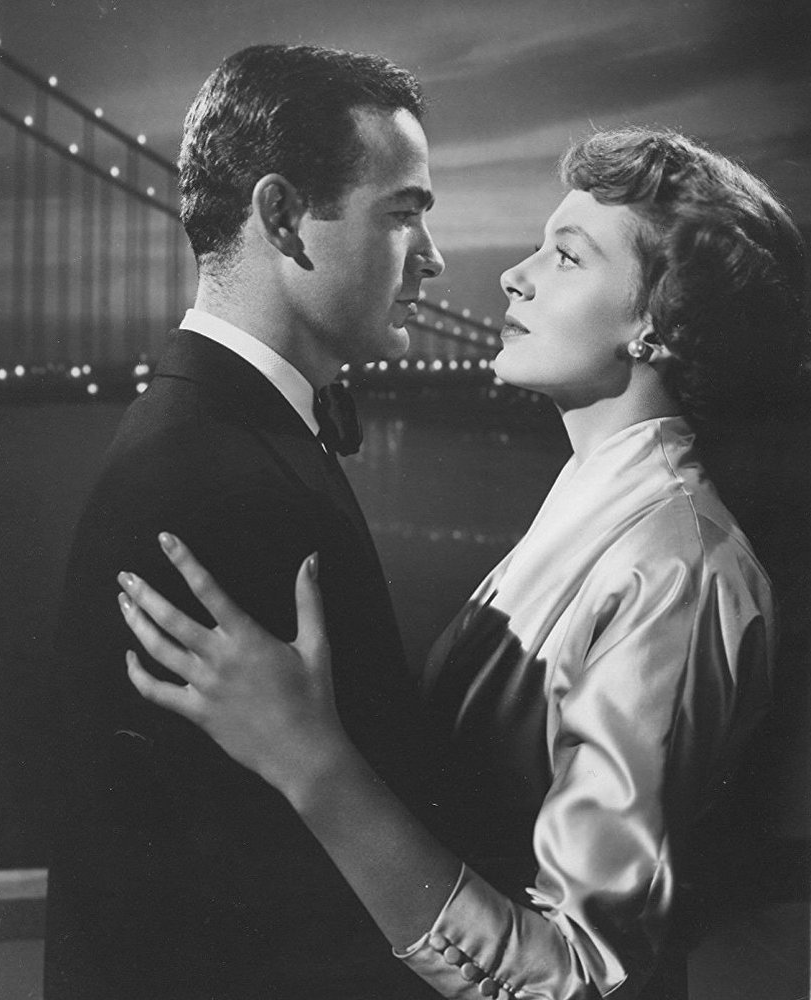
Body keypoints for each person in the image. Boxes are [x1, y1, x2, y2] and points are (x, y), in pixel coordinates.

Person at [115, 127, 809, 999]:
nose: (514, 276)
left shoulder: (677, 574)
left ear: (657, 325)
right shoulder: (600, 510)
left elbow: (578, 978)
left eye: (566, 256)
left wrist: (308, 759)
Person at [45, 44, 445, 1000]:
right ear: (282, 217)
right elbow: (267, 914)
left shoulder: (209, 431)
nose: (431, 258)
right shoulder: (219, 484)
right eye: (402, 214)